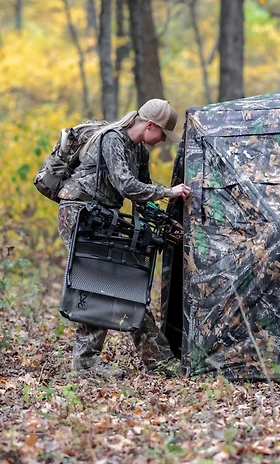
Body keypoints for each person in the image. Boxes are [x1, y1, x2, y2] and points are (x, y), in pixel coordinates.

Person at [56, 99, 191, 377]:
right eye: (162, 135)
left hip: (104, 216)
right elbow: (126, 185)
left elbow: (142, 194)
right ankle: (85, 365)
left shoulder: (140, 150)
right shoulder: (112, 139)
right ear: (150, 125)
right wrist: (170, 192)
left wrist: (165, 222)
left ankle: (160, 362)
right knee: (97, 280)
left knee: (126, 280)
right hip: (79, 213)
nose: (162, 141)